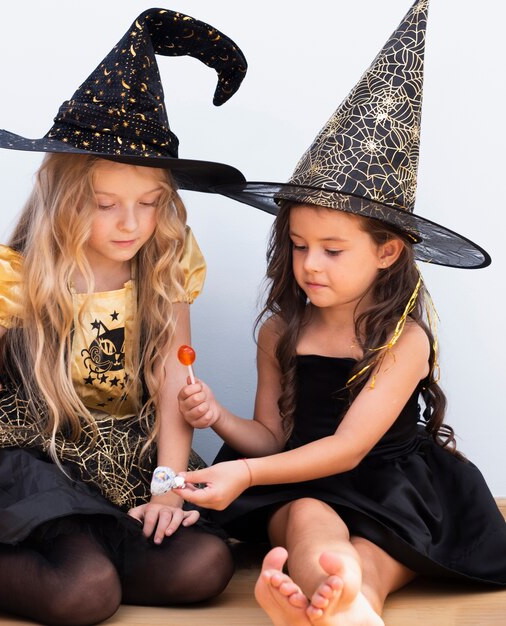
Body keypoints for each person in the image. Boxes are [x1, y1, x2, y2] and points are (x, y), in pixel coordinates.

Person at [0, 8, 248, 625]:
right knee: (85, 593)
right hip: (36, 459)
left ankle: (97, 553)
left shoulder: (164, 270)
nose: (131, 224)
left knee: (205, 566)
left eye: (150, 204)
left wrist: (166, 482)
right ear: (63, 199)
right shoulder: (22, 276)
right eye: (106, 205)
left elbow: (171, 379)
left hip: (127, 461)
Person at [176, 1, 506, 625]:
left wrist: (244, 474)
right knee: (306, 522)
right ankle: (336, 595)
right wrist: (219, 417)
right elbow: (275, 437)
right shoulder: (280, 331)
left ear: (386, 252)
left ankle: (357, 596)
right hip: (300, 477)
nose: (310, 265)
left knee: (380, 548)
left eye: (332, 250)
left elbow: (349, 449)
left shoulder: (403, 340)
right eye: (299, 246)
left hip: (395, 485)